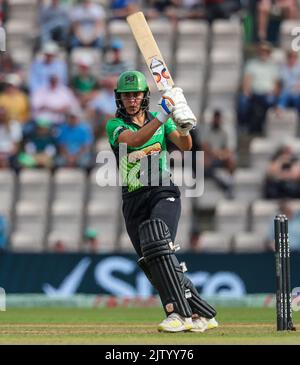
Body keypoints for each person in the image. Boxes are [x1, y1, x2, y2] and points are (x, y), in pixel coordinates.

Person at [106, 70, 218, 333]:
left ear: (144, 96)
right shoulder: (115, 126)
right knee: (152, 260)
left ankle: (178, 313)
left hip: (161, 189)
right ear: (119, 99)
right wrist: (163, 114)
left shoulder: (162, 120)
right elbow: (134, 140)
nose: (131, 100)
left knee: (157, 241)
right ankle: (202, 313)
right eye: (126, 96)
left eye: (136, 94)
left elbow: (186, 145)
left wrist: (182, 122)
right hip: (133, 198)